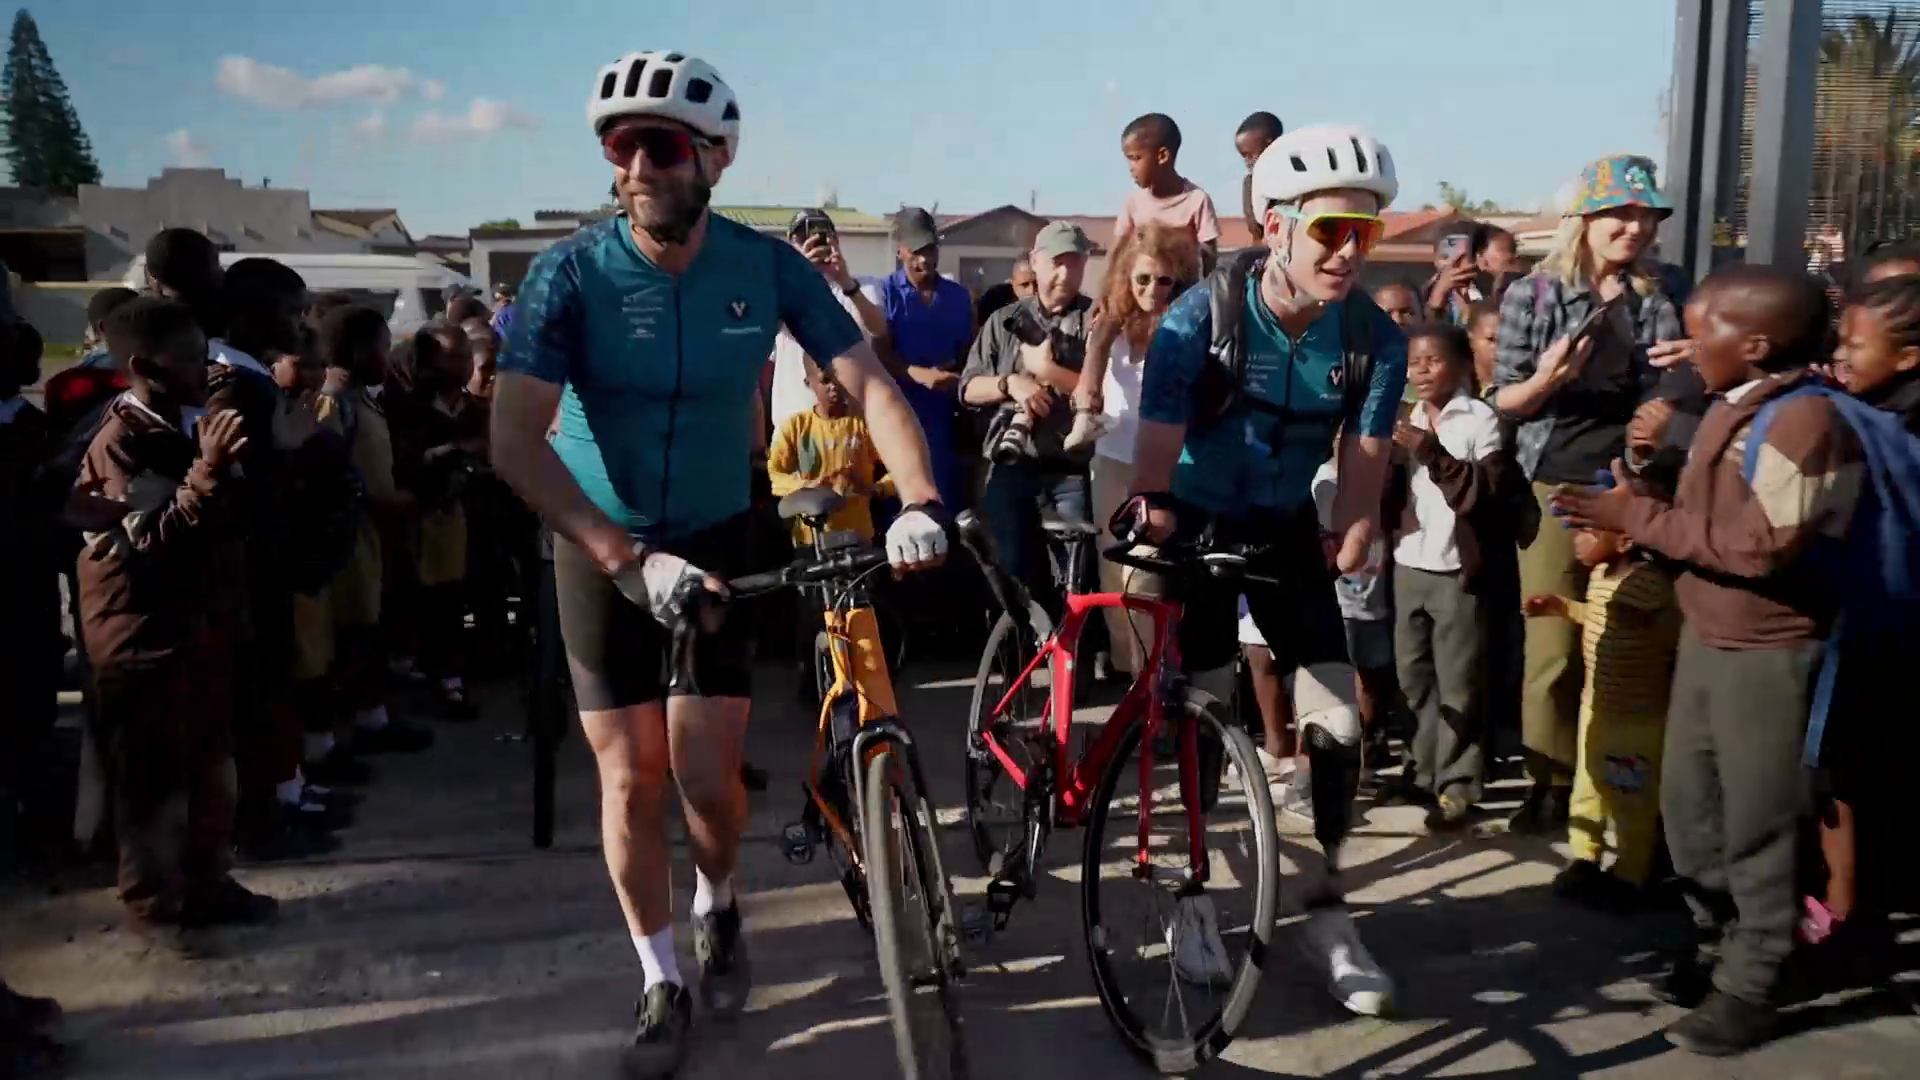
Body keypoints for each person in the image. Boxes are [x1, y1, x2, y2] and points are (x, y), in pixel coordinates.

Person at [489, 50, 947, 1078]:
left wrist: (919, 500)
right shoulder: (570, 272)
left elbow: (870, 383)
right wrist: (621, 555)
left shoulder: (763, 266)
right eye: (619, 148)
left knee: (705, 781)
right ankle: (659, 976)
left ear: (715, 158)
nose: (636, 167)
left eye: (659, 147)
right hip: (599, 544)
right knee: (629, 778)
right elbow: (513, 441)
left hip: (713, 534)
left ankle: (719, 896)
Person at [1129, 123, 1406, 1016]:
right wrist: (1155, 529)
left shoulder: (1373, 339)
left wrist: (1357, 526)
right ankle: (1191, 900)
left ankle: (1325, 912)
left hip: (1284, 527)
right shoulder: (1197, 320)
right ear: (1276, 225)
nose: (1349, 250)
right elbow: (1152, 475)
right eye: (1331, 229)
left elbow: (1362, 472)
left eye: (1365, 231)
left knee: (1339, 727)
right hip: (1198, 522)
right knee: (1204, 725)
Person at [1554, 264, 1855, 1056]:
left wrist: (1638, 520)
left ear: (1755, 344)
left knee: (1758, 823)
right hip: (1708, 640)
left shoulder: (1804, 420)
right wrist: (1636, 497)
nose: (1687, 348)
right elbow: (1699, 521)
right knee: (1691, 815)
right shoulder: (1728, 408)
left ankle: (1754, 983)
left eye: (1702, 331)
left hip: (1770, 654)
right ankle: (1720, 947)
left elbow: (1761, 548)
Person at [1490, 154, 1686, 834]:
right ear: (1586, 220)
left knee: (1623, 638)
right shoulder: (1534, 295)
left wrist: (1675, 390)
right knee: (1551, 647)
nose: (1634, 228)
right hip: (1552, 481)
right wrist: (1548, 378)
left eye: (1645, 216)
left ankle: (1615, 785)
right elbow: (1503, 400)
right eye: (1619, 215)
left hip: (1630, 484)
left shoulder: (1658, 297)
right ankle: (1547, 781)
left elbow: (1667, 397)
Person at [77, 297, 277, 948]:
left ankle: (207, 882)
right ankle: (158, 906)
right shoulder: (120, 442)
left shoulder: (187, 422)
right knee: (152, 783)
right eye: (190, 359)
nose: (206, 370)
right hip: (141, 636)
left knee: (208, 766)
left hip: (196, 628)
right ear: (144, 368)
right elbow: (151, 538)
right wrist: (208, 469)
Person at [1795, 276, 1920, 975]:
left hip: (1878, 624)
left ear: (1907, 359)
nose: (1839, 355)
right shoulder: (1870, 406)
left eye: (1855, 345)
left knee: (1842, 771)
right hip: (1878, 622)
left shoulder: (1882, 424)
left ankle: (1846, 916)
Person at [1385, 323, 1506, 828]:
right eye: (1414, 362)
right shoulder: (1404, 415)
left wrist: (1428, 451)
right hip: (1408, 562)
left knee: (1458, 682)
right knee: (1412, 678)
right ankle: (1421, 769)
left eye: (1433, 360)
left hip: (1457, 567)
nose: (1421, 371)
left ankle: (1458, 784)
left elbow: (1485, 493)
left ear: (1459, 365)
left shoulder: (1480, 419)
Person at [1524, 517, 1679, 909]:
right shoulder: (1599, 574)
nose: (1577, 540)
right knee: (1588, 786)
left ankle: (1632, 873)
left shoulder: (1649, 586)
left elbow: (1669, 631)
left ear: (1625, 540)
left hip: (1636, 716)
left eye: (1589, 533)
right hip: (1595, 706)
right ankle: (1584, 856)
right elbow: (1596, 614)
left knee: (1631, 797)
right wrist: (1562, 607)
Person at [1083, 225, 1200, 674]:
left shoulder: (1185, 326)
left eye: (1164, 280)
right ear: (1125, 278)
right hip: (1110, 460)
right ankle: (1130, 673)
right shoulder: (1106, 323)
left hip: (1161, 465)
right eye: (1143, 279)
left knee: (1145, 574)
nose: (1153, 289)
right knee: (1111, 573)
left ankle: (1150, 678)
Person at [958, 221, 1098, 590]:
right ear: (1035, 262)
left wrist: (1052, 374)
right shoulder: (1002, 321)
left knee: (1074, 582)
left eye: (1075, 263)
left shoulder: (1095, 321)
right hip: (1010, 466)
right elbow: (968, 388)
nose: (1065, 274)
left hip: (1071, 471)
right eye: (1057, 262)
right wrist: (1011, 385)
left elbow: (1106, 395)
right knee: (1012, 578)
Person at [0, 318, 65, 869]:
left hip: (28, 582)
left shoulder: (37, 428)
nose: (31, 370)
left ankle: (33, 814)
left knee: (30, 697)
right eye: (22, 358)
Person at [768, 209, 887, 431]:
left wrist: (846, 282)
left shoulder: (864, 285)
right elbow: (765, 330)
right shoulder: (781, 287)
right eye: (802, 239)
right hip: (793, 428)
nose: (813, 244)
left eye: (821, 237)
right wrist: (799, 275)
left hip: (852, 429)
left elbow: (879, 328)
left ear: (835, 241)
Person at [1113, 112, 1221, 266]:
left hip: (1184, 281)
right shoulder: (1134, 203)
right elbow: (1116, 254)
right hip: (1143, 280)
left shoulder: (1196, 200)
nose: (1131, 168)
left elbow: (1209, 257)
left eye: (1136, 158)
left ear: (1162, 156)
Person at [1234, 111, 1285, 240]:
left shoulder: (1298, 179)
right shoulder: (1251, 184)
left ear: (1270, 146)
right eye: (1244, 157)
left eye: (1250, 155)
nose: (1247, 162)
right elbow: (1255, 229)